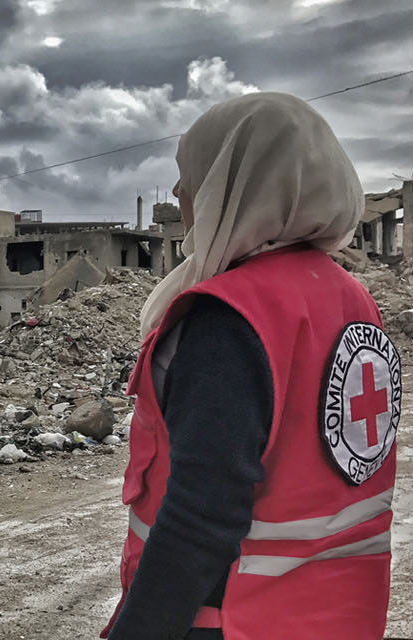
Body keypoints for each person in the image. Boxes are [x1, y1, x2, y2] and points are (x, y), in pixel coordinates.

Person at [102, 92, 399, 639]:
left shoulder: (230, 317)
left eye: (192, 173)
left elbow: (200, 517)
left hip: (237, 616)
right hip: (336, 614)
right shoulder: (351, 298)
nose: (178, 192)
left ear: (239, 180)